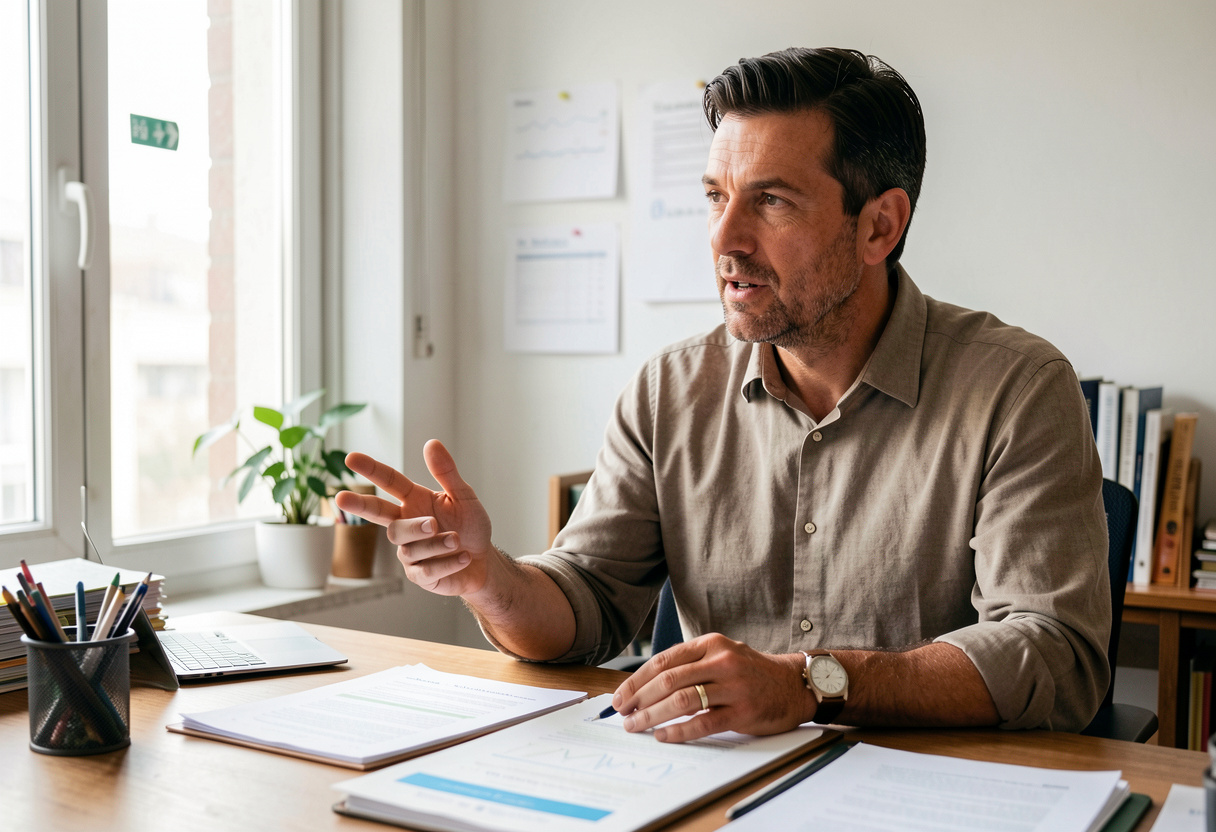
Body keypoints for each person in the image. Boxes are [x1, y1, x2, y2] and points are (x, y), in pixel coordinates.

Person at [337, 47, 1110, 743]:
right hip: (710, 787)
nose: (724, 238)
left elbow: (1054, 652)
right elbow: (588, 602)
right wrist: (487, 578)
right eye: (716, 196)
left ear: (880, 226)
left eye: (771, 201)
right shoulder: (668, 392)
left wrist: (809, 685)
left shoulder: (1016, 388)